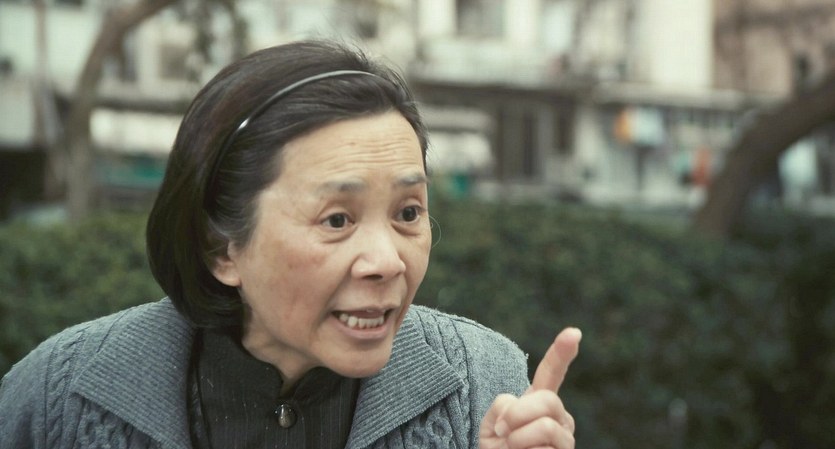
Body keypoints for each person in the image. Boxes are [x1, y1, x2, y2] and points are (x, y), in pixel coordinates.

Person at [0, 40, 582, 449]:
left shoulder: (485, 384)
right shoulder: (57, 397)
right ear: (221, 249)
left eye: (408, 213)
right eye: (337, 220)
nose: (387, 262)